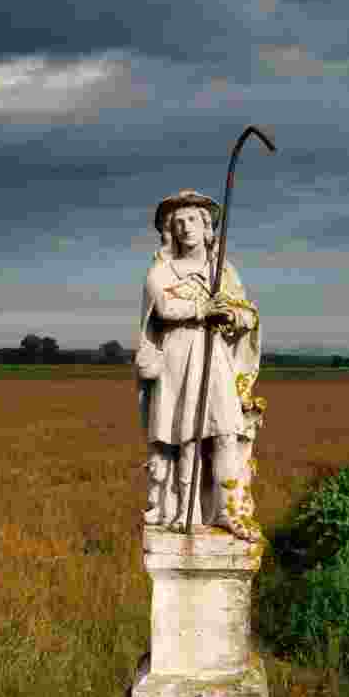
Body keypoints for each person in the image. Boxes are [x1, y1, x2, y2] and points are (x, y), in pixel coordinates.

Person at [135, 188, 265, 540]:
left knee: (225, 432)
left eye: (192, 219)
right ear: (169, 230)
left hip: (216, 355)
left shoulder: (222, 270)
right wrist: (201, 309)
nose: (185, 227)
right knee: (188, 436)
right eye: (177, 222)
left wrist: (231, 316)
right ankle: (187, 511)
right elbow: (163, 308)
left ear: (207, 227)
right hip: (180, 356)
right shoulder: (162, 270)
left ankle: (226, 511)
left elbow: (247, 315)